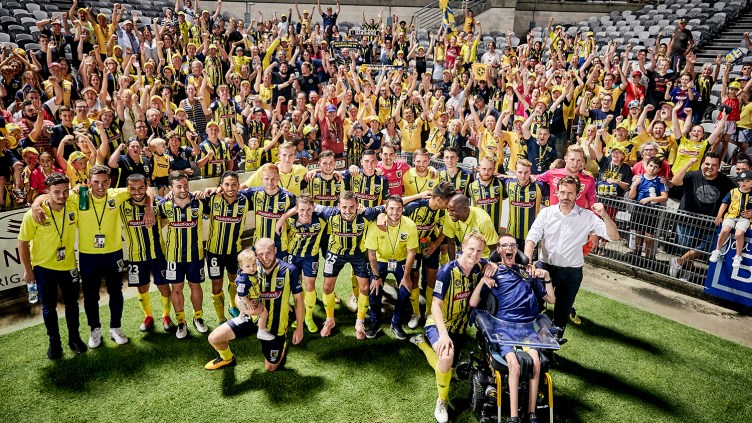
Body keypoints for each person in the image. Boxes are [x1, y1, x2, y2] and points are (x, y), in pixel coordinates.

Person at [469, 234, 556, 423]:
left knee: (536, 363)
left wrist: (547, 278)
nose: (509, 248)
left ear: (516, 249)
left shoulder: (528, 273)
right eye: (505, 245)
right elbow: (474, 302)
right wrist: (484, 280)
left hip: (526, 329)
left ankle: (531, 414)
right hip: (503, 329)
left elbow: (551, 300)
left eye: (513, 245)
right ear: (499, 249)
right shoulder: (492, 270)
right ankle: (514, 418)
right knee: (514, 365)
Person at [409, 233, 495, 423]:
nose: (474, 254)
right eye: (471, 249)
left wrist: (494, 264)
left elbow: (495, 261)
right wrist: (443, 335)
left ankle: (421, 343)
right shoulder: (447, 270)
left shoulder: (480, 266)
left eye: (479, 251)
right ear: (462, 247)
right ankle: (442, 401)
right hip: (439, 324)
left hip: (460, 328)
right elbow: (435, 305)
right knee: (446, 358)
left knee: (449, 369)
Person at [524, 176, 619, 340]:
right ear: (556, 192)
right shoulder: (546, 213)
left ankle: (551, 347)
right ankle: (529, 342)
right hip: (544, 267)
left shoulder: (587, 216)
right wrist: (527, 261)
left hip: (571, 273)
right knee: (532, 306)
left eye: (570, 193)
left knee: (561, 314)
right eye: (562, 192)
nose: (565, 197)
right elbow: (532, 238)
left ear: (577, 195)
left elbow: (614, 237)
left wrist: (605, 215)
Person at [204, 239, 304, 371]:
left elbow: (298, 300)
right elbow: (239, 295)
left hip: (276, 325)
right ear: (256, 254)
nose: (265, 258)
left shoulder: (290, 270)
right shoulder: (249, 266)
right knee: (214, 338)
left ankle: (282, 342)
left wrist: (300, 328)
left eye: (269, 253)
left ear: (275, 250)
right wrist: (244, 308)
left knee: (270, 367)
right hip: (251, 318)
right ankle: (227, 358)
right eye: (260, 254)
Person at [18, 173, 87, 359]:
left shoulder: (73, 204)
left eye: (65, 191)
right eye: (56, 192)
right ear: (47, 192)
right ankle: (54, 344)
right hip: (44, 269)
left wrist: (79, 188)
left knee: (72, 305)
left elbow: (83, 188)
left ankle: (74, 339)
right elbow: (22, 243)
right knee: (49, 308)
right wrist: (28, 270)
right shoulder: (34, 215)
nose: (62, 196)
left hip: (69, 266)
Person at [119, 174, 174, 333]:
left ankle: (166, 316)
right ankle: (148, 316)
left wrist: (150, 209)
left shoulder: (158, 203)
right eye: (133, 188)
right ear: (127, 189)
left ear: (146, 186)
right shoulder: (122, 204)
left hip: (158, 253)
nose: (137, 192)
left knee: (163, 285)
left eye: (141, 187)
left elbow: (165, 220)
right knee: (142, 287)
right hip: (136, 256)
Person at [158, 171, 207, 339]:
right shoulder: (163, 205)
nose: (183, 189)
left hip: (195, 255)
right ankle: (181, 322)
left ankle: (198, 317)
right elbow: (159, 224)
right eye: (178, 186)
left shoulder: (199, 201)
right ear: (170, 188)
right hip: (173, 257)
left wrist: (206, 192)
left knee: (196, 286)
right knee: (177, 289)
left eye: (186, 185)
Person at [670, 153, 736, 279]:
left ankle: (679, 261)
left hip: (710, 223)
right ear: (702, 164)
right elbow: (675, 182)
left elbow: (735, 198)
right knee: (686, 248)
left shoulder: (727, 182)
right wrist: (688, 164)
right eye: (707, 164)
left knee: (706, 248)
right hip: (687, 220)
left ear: (719, 167)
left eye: (714, 165)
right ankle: (688, 271)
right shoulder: (692, 175)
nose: (710, 167)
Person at [365, 196, 419, 339]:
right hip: (380, 260)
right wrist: (376, 276)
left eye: (398, 208)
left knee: (405, 291)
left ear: (403, 209)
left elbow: (411, 252)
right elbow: (371, 253)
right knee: (374, 290)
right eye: (392, 208)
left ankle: (396, 324)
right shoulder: (375, 226)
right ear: (386, 209)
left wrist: (406, 276)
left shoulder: (410, 225)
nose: (395, 212)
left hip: (400, 260)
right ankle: (375, 323)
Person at [203, 171, 252, 323]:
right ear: (221, 186)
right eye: (227, 184)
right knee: (216, 284)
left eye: (234, 184)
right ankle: (221, 318)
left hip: (234, 251)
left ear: (239, 185)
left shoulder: (245, 200)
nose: (230, 188)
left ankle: (233, 305)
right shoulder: (212, 199)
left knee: (235, 280)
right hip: (214, 252)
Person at [628, 158, 669, 259]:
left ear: (659, 169)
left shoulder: (660, 181)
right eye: (650, 166)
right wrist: (635, 184)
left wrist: (650, 199)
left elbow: (665, 197)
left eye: (655, 167)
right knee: (638, 233)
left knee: (649, 236)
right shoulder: (639, 178)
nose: (652, 169)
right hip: (639, 209)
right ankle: (636, 254)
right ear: (646, 166)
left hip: (652, 210)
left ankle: (649, 257)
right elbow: (631, 196)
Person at [709, 170, 752, 267]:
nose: (744, 183)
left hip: (744, 218)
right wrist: (719, 216)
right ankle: (717, 250)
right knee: (725, 230)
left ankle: (738, 256)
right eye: (742, 180)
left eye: (748, 181)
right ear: (738, 181)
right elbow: (724, 204)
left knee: (739, 234)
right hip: (730, 216)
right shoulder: (733, 191)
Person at [443, 194, 499, 260]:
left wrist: (490, 264)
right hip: (466, 254)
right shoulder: (449, 216)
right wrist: (452, 264)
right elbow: (451, 243)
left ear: (465, 209)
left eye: (453, 211)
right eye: (448, 210)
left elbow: (493, 248)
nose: (450, 213)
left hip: (483, 256)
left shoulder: (483, 220)